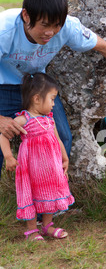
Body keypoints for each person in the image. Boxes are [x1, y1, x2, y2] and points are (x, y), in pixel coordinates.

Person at [0, 0, 106, 178]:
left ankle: (52, 197)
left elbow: (103, 47)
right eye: (44, 25)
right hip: (3, 85)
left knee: (62, 136)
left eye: (56, 26)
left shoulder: (67, 27)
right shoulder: (4, 31)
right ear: (26, 16)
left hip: (36, 85)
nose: (50, 33)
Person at [0, 73, 75, 241]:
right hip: (31, 168)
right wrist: (8, 157)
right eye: (52, 99)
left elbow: (57, 139)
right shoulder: (23, 119)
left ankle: (47, 225)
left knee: (49, 192)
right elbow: (3, 136)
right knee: (31, 193)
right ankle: (32, 230)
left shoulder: (49, 119)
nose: (54, 104)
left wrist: (64, 158)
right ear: (36, 99)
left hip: (50, 167)